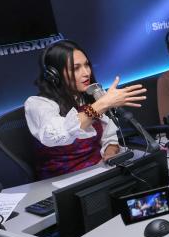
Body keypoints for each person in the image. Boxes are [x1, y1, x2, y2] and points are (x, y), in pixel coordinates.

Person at [25, 40, 147, 179]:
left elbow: (109, 137)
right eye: (76, 68)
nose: (86, 73)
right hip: (63, 183)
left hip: (99, 171)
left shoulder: (87, 96)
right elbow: (57, 134)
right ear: (55, 75)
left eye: (86, 65)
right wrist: (102, 104)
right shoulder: (37, 104)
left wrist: (110, 153)